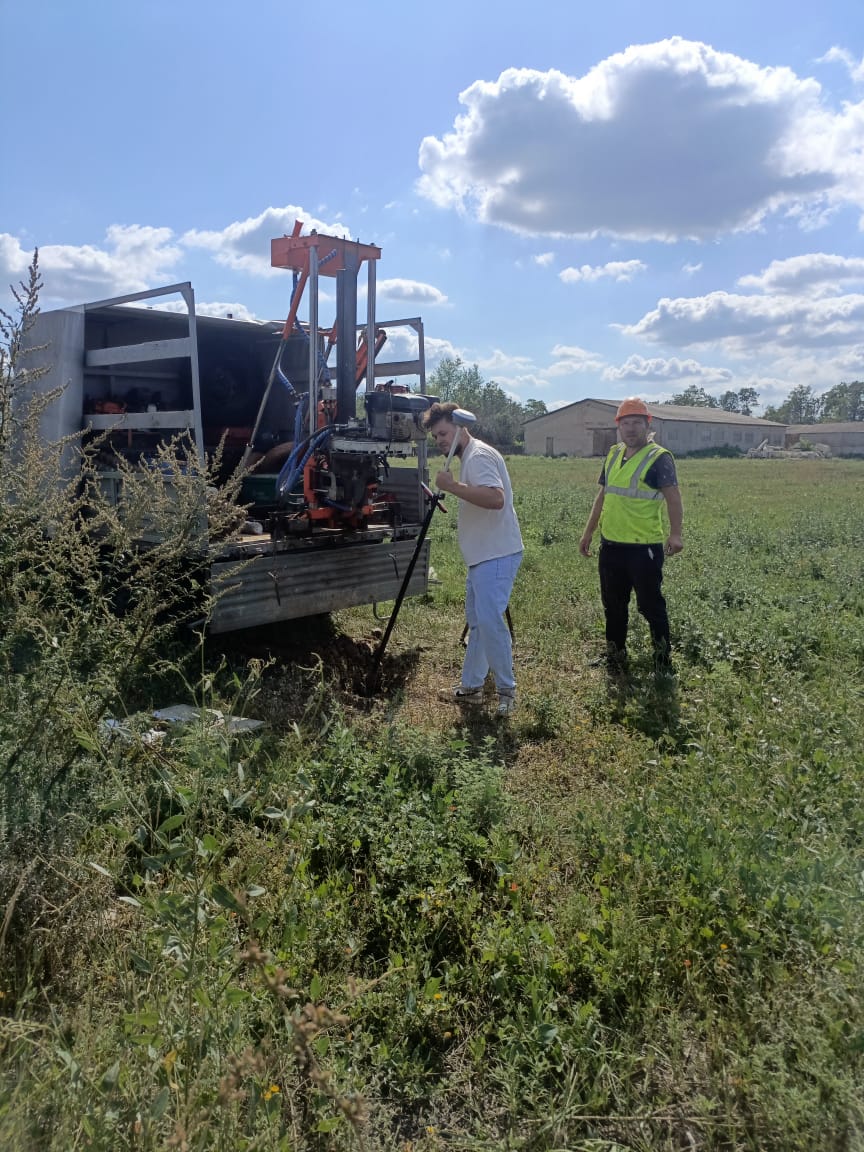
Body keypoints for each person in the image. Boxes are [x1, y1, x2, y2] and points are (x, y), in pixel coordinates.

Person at [424, 402, 523, 715]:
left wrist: (453, 487)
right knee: (479, 624)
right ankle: (471, 687)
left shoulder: (478, 456)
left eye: (443, 433)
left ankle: (506, 692)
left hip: (496, 553)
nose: (440, 440)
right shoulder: (469, 455)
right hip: (483, 555)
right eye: (436, 436)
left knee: (490, 623)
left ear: (460, 427)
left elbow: (496, 498)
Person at [579, 397, 683, 674]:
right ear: (619, 426)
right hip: (611, 545)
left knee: (650, 607)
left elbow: (673, 498)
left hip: (643, 548)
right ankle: (615, 656)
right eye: (626, 423)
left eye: (637, 422)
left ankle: (662, 662)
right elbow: (603, 495)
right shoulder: (614, 454)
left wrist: (676, 534)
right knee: (613, 606)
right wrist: (588, 532)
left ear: (647, 424)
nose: (631, 428)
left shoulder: (659, 458)